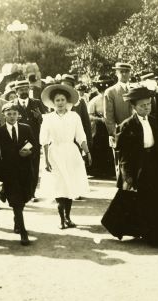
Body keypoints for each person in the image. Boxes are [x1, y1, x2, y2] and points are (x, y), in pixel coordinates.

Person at [102, 86, 158, 246]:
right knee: (139, 198)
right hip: (138, 166)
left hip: (155, 164)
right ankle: (146, 232)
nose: (146, 108)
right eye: (142, 106)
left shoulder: (154, 121)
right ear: (134, 107)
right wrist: (127, 175)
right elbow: (123, 153)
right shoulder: (127, 125)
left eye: (148, 105)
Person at [41, 83, 91, 229]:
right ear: (53, 103)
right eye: (57, 100)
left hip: (71, 153)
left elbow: (81, 136)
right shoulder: (48, 118)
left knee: (70, 185)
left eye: (63, 100)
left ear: (67, 101)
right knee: (58, 186)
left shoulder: (74, 116)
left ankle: (68, 217)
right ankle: (61, 219)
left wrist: (87, 152)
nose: (60, 103)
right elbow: (44, 140)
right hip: (55, 153)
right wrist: (46, 160)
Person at [0, 104, 36, 245]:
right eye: (9, 114)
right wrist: (0, 176)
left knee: (22, 199)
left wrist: (29, 151)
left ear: (18, 115)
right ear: (4, 115)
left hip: (24, 171)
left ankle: (17, 221)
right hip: (8, 173)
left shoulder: (26, 128)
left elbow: (34, 145)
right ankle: (23, 232)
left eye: (14, 113)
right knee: (16, 202)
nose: (12, 116)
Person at [10, 80, 48, 201]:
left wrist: (40, 117)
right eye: (21, 89)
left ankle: (31, 193)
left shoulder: (36, 103)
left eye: (26, 89)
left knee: (33, 167)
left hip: (34, 141)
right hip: (18, 142)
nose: (24, 91)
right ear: (16, 92)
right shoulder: (12, 105)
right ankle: (21, 191)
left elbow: (46, 122)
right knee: (19, 167)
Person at [104, 62, 134, 177]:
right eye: (121, 71)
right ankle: (123, 191)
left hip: (136, 131)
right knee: (121, 163)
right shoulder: (111, 92)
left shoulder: (135, 88)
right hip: (120, 132)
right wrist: (114, 133)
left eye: (127, 71)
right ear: (116, 73)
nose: (125, 74)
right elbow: (109, 116)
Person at [87, 75, 115, 177]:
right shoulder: (94, 100)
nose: (104, 92)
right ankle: (97, 170)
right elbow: (89, 116)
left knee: (110, 147)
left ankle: (110, 171)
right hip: (99, 128)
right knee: (99, 148)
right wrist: (100, 119)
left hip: (110, 125)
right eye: (102, 90)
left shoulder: (112, 99)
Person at [60, 74, 92, 149]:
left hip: (76, 144)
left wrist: (88, 145)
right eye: (63, 86)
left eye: (68, 85)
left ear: (72, 87)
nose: (65, 88)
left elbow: (86, 124)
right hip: (60, 143)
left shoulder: (80, 103)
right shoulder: (55, 103)